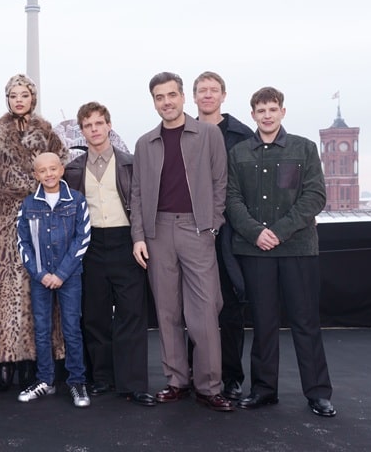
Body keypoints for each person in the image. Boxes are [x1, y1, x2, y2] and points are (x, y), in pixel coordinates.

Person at [226, 86, 336, 417]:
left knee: (305, 322)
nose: (267, 115)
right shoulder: (239, 153)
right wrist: (256, 232)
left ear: (282, 112)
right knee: (263, 323)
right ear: (253, 115)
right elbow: (231, 199)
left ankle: (318, 393)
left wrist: (278, 231)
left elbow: (315, 196)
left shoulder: (304, 148)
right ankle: (263, 389)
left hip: (298, 249)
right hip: (255, 250)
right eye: (261, 111)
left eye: (272, 109)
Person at [130, 72, 233, 412]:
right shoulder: (145, 143)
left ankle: (209, 386)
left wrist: (212, 226)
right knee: (167, 311)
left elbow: (220, 183)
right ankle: (176, 381)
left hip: (196, 229)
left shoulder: (208, 134)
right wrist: (139, 236)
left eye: (171, 95)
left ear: (183, 97)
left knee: (204, 311)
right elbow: (137, 194)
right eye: (160, 97)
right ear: (154, 102)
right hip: (157, 232)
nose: (167, 102)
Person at [0, 74, 68, 392]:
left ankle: (34, 360)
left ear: (33, 98)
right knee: (4, 289)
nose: (18, 100)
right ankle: (5, 360)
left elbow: (60, 165)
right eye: (13, 95)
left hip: (40, 214)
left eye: (24, 95)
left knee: (36, 287)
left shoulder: (47, 133)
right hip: (4, 219)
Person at [64, 102, 156, 407]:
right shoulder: (73, 169)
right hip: (91, 245)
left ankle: (133, 383)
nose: (94, 130)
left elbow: (141, 205)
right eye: (88, 125)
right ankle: (102, 378)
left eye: (99, 123)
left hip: (125, 241)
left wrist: (140, 238)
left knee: (132, 314)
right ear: (82, 130)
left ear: (109, 125)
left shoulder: (130, 163)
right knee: (95, 315)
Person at [192, 71, 254, 400]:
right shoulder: (182, 132)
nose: (207, 95)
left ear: (223, 95)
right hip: (191, 229)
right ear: (194, 97)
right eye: (202, 90)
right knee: (193, 305)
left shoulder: (242, 136)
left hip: (230, 231)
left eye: (213, 90)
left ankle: (231, 376)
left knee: (229, 305)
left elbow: (255, 184)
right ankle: (195, 371)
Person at [16, 152, 91, 407]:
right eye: (42, 170)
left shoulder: (76, 200)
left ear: (61, 170)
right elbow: (23, 242)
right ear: (35, 175)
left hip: (70, 277)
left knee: (71, 328)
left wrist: (61, 274)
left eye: (52, 169)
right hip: (41, 278)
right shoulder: (28, 204)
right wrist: (41, 274)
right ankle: (45, 380)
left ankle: (77, 381)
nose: (48, 174)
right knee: (42, 329)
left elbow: (83, 238)